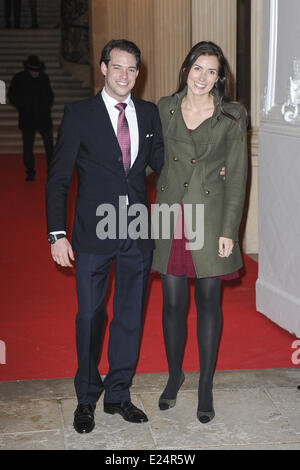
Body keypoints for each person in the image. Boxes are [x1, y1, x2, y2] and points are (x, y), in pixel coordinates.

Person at [46, 39, 164, 433]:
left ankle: (117, 395)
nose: (125, 75)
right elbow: (59, 178)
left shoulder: (148, 114)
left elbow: (164, 165)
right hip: (91, 235)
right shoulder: (79, 114)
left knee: (130, 316)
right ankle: (86, 396)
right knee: (91, 316)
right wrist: (57, 234)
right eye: (118, 67)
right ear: (103, 68)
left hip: (135, 233)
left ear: (138, 72)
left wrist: (207, 170)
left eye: (132, 69)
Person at [152, 41, 248, 424]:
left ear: (220, 76)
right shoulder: (164, 108)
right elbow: (150, 156)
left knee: (209, 302)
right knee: (172, 303)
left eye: (212, 71)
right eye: (197, 68)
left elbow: (238, 174)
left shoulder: (233, 114)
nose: (203, 77)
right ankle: (175, 376)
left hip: (210, 217)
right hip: (171, 214)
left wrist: (230, 230)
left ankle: (205, 385)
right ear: (186, 69)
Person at [8, 55, 54, 181]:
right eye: (33, 70)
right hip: (27, 118)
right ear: (27, 69)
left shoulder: (43, 78)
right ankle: (30, 172)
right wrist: (22, 107)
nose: (35, 73)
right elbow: (11, 96)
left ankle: (52, 171)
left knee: (49, 147)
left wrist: (46, 105)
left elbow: (50, 94)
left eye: (37, 71)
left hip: (43, 117)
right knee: (27, 147)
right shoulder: (19, 78)